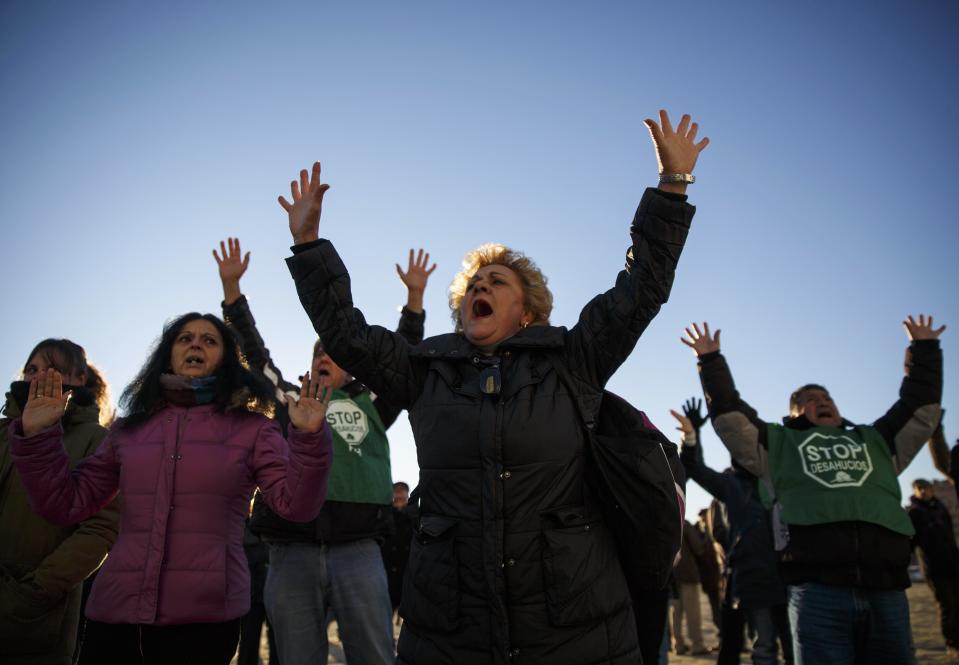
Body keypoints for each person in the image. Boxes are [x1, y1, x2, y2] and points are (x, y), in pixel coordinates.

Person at [278, 109, 708, 664]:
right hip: (452, 629)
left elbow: (641, 288)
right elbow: (347, 333)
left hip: (574, 628)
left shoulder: (572, 359)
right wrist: (309, 244)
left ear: (526, 309)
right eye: (473, 285)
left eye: (495, 281)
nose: (479, 286)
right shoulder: (425, 370)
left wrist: (671, 187)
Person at [9, 313, 333, 665]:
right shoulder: (127, 431)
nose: (196, 343)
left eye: (210, 340)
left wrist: (310, 439)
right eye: (184, 338)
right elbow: (65, 504)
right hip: (115, 616)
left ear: (226, 360)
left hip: (205, 622)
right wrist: (39, 438)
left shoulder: (254, 430)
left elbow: (296, 506)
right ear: (167, 355)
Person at [213, 238, 432, 665]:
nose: (323, 358)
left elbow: (401, 358)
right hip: (290, 551)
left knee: (374, 655)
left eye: (332, 352)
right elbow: (256, 357)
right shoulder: (289, 399)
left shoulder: (373, 403)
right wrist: (233, 296)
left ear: (350, 365)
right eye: (318, 353)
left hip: (360, 549)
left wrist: (415, 301)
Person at [682, 316, 944, 665]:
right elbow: (732, 419)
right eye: (809, 398)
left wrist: (924, 349)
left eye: (826, 396)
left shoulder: (876, 441)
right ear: (792, 414)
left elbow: (918, 407)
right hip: (818, 592)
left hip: (887, 588)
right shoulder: (780, 445)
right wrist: (711, 361)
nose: (821, 401)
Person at [0, 340, 120, 665]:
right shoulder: (3, 431)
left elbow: (101, 529)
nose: (37, 377)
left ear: (79, 379)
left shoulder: (98, 440)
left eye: (49, 369)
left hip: (36, 618)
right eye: (31, 369)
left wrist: (33, 592)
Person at [672, 403, 791, 665]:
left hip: (794, 579)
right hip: (755, 579)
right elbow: (694, 468)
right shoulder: (732, 486)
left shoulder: (783, 480)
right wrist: (692, 436)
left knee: (797, 648)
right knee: (765, 648)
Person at [907, 478, 959, 657]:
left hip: (953, 564)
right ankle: (952, 643)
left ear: (931, 489)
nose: (923, 491)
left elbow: (950, 536)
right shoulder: (914, 513)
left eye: (926, 488)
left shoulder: (940, 508)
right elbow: (911, 544)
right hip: (934, 568)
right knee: (947, 605)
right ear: (915, 491)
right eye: (919, 488)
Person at [671, 519, 709, 655]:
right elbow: (698, 548)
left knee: (676, 614)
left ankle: (678, 645)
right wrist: (705, 536)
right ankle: (697, 645)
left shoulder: (664, 520)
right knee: (693, 613)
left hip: (671, 577)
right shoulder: (684, 524)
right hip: (688, 575)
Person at [381, 481, 414, 618]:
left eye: (402, 491)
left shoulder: (414, 515)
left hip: (408, 573)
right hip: (387, 571)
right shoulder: (384, 514)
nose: (399, 493)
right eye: (397, 490)